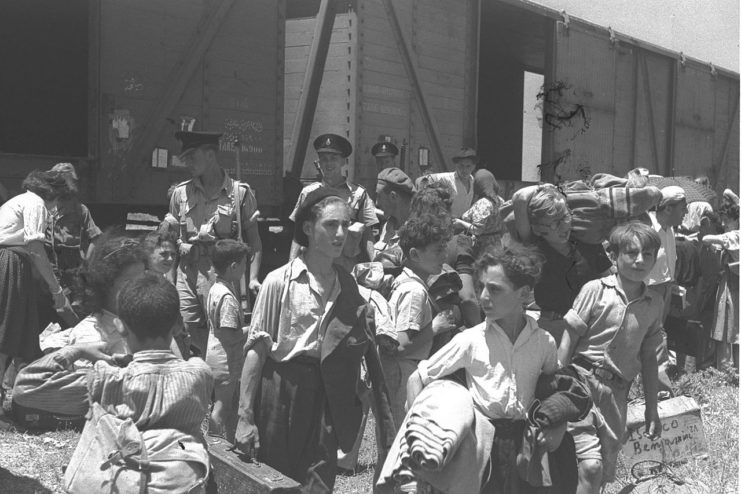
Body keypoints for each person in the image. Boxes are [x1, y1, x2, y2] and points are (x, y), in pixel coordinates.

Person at [235, 187, 394, 492]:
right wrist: (245, 416)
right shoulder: (279, 281)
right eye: (330, 224)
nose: (340, 233)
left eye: (345, 225)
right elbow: (256, 351)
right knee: (275, 482)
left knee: (319, 483)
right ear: (308, 228)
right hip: (281, 392)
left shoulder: (348, 287)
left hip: (326, 396)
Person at [405, 242, 559, 493]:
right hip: (481, 445)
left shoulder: (544, 342)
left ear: (524, 293)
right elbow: (418, 378)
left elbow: (553, 386)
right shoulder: (470, 340)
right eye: (481, 287)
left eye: (495, 289)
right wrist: (419, 438)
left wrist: (555, 424)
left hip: (525, 445)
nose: (484, 297)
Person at [62, 273, 213, 493]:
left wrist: (77, 350)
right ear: (178, 326)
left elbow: (29, 383)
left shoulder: (107, 378)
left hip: (121, 480)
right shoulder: (200, 373)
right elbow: (188, 365)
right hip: (182, 477)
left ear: (120, 327)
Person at [558, 222, 664, 494]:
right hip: (581, 383)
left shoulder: (654, 304)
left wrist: (652, 408)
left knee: (605, 465)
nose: (639, 260)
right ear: (613, 255)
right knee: (582, 462)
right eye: (631, 253)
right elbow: (569, 338)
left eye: (647, 254)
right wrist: (556, 385)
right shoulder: (595, 290)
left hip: (616, 394)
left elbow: (650, 359)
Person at [12, 231, 147, 425]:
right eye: (128, 282)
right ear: (106, 284)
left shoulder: (145, 322)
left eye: (142, 280)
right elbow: (92, 394)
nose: (139, 289)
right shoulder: (91, 334)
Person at [161, 131, 263, 354]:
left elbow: (254, 242)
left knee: (223, 339)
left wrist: (253, 278)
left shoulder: (240, 193)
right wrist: (169, 279)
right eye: (185, 158)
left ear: (209, 155)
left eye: (192, 156)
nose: (187, 163)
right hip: (187, 275)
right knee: (183, 334)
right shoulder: (180, 193)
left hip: (222, 277)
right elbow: (170, 242)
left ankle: (221, 385)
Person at [0, 169, 74, 393]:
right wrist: (57, 291)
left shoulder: (19, 200)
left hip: (12, 261)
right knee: (6, 331)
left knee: (10, 330)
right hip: (10, 263)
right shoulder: (35, 203)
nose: (56, 208)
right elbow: (35, 247)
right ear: (54, 194)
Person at [385, 213, 452, 428]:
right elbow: (400, 345)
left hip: (404, 369)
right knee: (402, 434)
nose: (444, 256)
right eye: (437, 250)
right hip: (403, 371)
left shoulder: (409, 283)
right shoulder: (414, 291)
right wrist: (435, 328)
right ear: (414, 254)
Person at [527, 185, 612, 343]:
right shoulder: (535, 254)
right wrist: (544, 186)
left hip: (591, 328)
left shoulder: (589, 245)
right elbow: (520, 198)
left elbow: (610, 281)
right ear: (538, 229)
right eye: (554, 224)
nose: (563, 227)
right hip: (553, 329)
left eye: (564, 218)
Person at [289, 133, 379, 271]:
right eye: (324, 159)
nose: (328, 164)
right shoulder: (308, 193)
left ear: (343, 162)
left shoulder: (358, 195)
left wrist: (375, 265)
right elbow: (298, 233)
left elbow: (367, 235)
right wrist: (291, 266)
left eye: (333, 159)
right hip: (314, 267)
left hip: (346, 268)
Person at [43, 162, 102, 321]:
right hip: (48, 270)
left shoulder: (80, 210)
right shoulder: (44, 208)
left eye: (69, 182)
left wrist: (85, 265)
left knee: (74, 313)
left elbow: (95, 238)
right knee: (49, 312)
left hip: (73, 272)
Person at [206, 239, 251, 440]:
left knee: (230, 404)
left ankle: (232, 441)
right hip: (224, 360)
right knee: (222, 407)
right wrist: (251, 329)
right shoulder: (227, 298)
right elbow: (228, 334)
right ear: (234, 266)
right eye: (243, 264)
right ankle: (214, 445)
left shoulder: (216, 287)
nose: (245, 269)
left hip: (215, 354)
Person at [702, 189, 739, 371]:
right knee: (729, 325)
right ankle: (730, 369)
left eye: (727, 219)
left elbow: (708, 238)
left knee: (731, 324)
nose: (724, 223)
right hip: (730, 283)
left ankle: (729, 369)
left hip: (734, 286)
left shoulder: (735, 236)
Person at [455, 168, 505, 255]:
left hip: (483, 248)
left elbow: (477, 230)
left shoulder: (483, 203)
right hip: (497, 245)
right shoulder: (500, 200)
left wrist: (460, 223)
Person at [423, 147, 477, 218]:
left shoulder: (474, 182)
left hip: (464, 224)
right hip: (450, 224)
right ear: (456, 165)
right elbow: (423, 179)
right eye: (461, 166)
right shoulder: (447, 178)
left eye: (468, 166)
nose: (464, 169)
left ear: (473, 166)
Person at [374, 167, 414, 259]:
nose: (377, 203)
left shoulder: (418, 232)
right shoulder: (388, 226)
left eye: (379, 197)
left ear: (393, 197)